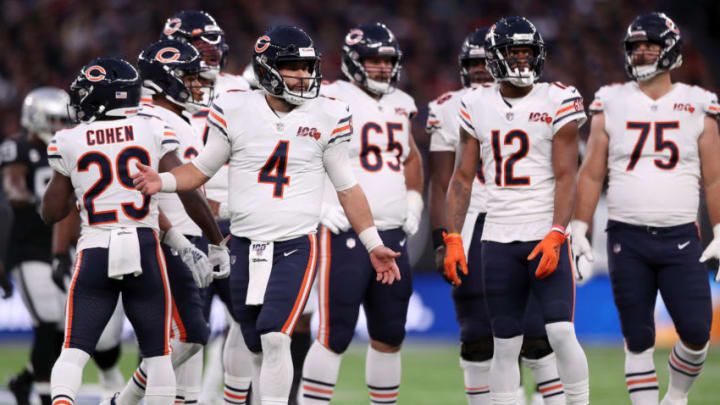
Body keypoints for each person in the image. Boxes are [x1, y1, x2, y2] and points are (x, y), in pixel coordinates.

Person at [131, 25, 402, 405]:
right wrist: (162, 180)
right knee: (253, 340)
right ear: (269, 69)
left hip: (295, 243)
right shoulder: (236, 108)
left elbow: (347, 187)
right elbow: (202, 169)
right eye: (294, 66)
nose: (305, 76)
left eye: (308, 67)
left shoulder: (328, 114)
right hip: (243, 241)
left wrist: (373, 242)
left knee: (276, 337)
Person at [572, 12, 719, 405]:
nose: (639, 53)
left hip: (681, 237)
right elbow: (590, 173)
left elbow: (716, 177)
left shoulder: (698, 103)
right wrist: (579, 228)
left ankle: (675, 397)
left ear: (669, 49)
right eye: (634, 46)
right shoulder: (611, 100)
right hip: (627, 236)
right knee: (637, 338)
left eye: (648, 45)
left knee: (696, 333)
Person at [444, 16, 590, 405]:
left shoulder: (558, 98)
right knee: (505, 343)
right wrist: (454, 237)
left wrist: (558, 232)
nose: (523, 62)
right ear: (495, 59)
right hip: (498, 236)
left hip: (544, 231)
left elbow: (566, 175)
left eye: (528, 53)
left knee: (560, 332)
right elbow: (461, 177)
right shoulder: (475, 103)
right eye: (514, 53)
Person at [43, 57, 183, 405]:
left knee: (74, 351)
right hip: (144, 243)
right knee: (158, 354)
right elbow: (184, 184)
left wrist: (74, 183)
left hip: (96, 248)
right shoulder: (152, 128)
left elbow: (51, 212)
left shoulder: (69, 139)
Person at [300, 22, 422, 405]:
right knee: (335, 333)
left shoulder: (402, 102)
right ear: (354, 61)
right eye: (374, 60)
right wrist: (315, 205)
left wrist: (415, 199)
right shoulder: (329, 97)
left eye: (388, 60)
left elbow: (412, 156)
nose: (383, 68)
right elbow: (298, 151)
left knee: (390, 333)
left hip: (393, 233)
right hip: (343, 232)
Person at [111, 39, 231, 405]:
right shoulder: (154, 120)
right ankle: (125, 400)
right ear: (164, 80)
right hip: (164, 240)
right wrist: (205, 240)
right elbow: (168, 191)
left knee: (182, 336)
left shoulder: (172, 118)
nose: (197, 84)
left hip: (175, 237)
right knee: (188, 334)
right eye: (188, 77)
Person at [2, 86, 71, 405]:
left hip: (58, 246)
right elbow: (14, 188)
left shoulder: (71, 147)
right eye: (54, 120)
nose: (60, 127)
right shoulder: (17, 147)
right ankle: (45, 397)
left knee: (61, 329)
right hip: (27, 246)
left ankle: (25, 380)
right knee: (47, 318)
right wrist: (42, 204)